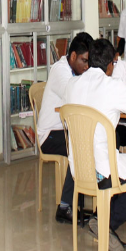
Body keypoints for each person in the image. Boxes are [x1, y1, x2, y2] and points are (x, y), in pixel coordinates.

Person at [64, 39, 126, 251]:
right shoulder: (112, 86)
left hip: (78, 168)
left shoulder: (72, 84)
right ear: (111, 63)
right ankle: (105, 222)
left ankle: (103, 219)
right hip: (103, 168)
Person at [36, 32, 93, 224]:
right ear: (73, 56)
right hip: (50, 135)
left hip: (66, 130)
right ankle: (64, 207)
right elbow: (75, 96)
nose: (86, 67)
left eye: (89, 63)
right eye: (84, 61)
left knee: (92, 141)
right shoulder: (61, 71)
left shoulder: (76, 70)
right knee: (79, 148)